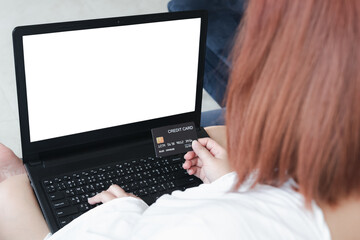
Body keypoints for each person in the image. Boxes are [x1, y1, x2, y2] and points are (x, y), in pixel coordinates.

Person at [1, 0, 360, 239]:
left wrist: (119, 212)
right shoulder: (298, 200)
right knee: (191, 126)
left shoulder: (204, 222)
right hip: (227, 179)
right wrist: (232, 180)